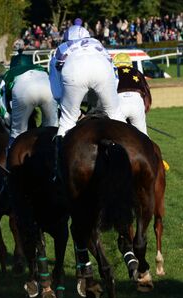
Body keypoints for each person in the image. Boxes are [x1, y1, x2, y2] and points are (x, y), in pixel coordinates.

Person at [49, 21, 125, 179]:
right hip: (102, 68)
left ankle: (58, 170)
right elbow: (114, 75)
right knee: (116, 115)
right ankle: (127, 161)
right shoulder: (97, 44)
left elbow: (57, 93)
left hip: (73, 70)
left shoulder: (60, 49)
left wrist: (72, 109)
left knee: (67, 121)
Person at [0, 53, 58, 145]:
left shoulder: (9, 73)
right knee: (52, 128)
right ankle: (57, 155)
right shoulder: (42, 68)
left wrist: (8, 121)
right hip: (48, 89)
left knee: (17, 133)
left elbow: (2, 102)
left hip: (24, 91)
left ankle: (9, 157)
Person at [113, 52, 151, 136]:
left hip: (119, 103)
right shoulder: (137, 72)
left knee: (116, 136)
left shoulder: (112, 73)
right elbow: (146, 93)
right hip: (137, 103)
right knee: (144, 137)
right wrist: (143, 113)